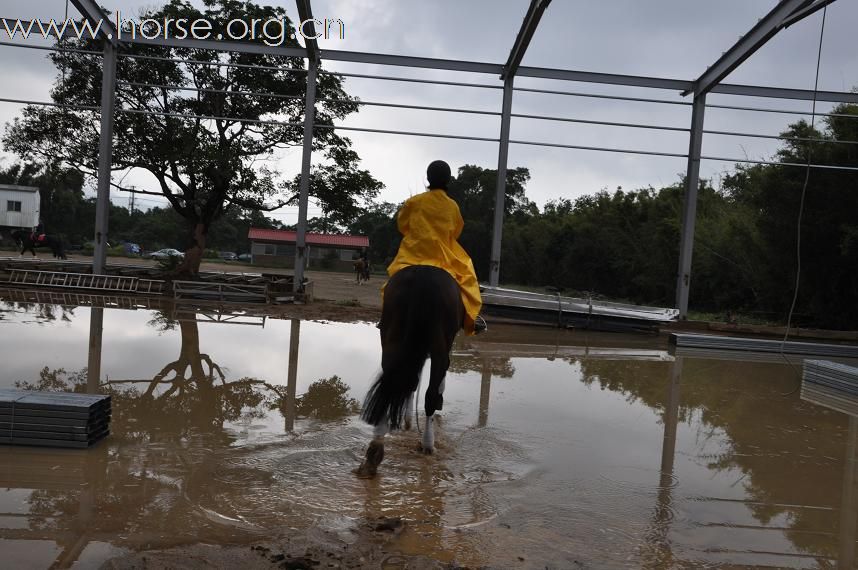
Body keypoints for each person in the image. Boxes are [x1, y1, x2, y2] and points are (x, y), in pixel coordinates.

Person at [385, 160, 486, 335]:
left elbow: (403, 226)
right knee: (467, 278)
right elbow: (456, 231)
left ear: (428, 178)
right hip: (443, 258)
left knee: (391, 285)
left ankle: (385, 318)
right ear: (448, 180)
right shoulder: (452, 206)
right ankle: (470, 319)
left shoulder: (413, 202)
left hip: (412, 256)